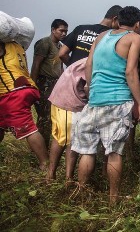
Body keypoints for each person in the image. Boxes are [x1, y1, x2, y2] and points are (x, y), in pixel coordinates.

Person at [71, 6, 140, 204]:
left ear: (118, 20)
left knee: (87, 152)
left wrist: (92, 89)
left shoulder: (102, 36)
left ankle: (81, 195)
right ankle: (113, 199)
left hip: (94, 102)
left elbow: (89, 65)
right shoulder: (134, 38)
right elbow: (131, 72)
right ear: (138, 24)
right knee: (114, 153)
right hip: (117, 101)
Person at [0, 41, 49, 170]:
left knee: (27, 128)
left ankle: (45, 165)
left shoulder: (2, 45)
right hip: (22, 87)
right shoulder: (16, 45)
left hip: (12, 92)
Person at [46, 57, 88, 182]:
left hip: (70, 99)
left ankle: (68, 178)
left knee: (72, 140)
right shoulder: (97, 61)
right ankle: (50, 175)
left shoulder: (91, 59)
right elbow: (88, 88)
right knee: (62, 139)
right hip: (67, 100)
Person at [31, 19, 68, 147]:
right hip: (43, 82)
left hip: (55, 84)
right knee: (44, 117)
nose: (64, 34)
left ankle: (44, 148)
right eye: (61, 30)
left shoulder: (60, 47)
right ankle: (40, 149)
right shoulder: (44, 43)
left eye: (66, 31)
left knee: (52, 117)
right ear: (53, 29)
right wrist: (33, 85)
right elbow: (36, 64)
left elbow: (60, 67)